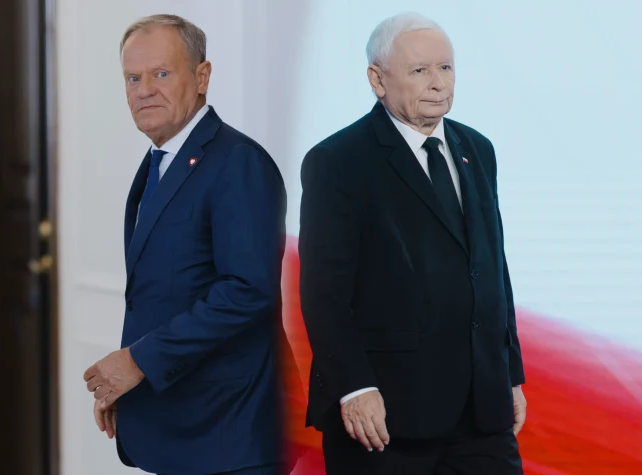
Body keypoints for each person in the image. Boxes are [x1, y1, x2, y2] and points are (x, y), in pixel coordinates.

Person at [298, 12, 527, 475]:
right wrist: (354, 387)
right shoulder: (338, 161)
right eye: (420, 70)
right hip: (385, 415)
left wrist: (510, 375)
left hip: (480, 411)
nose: (438, 83)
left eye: (446, 67)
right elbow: (324, 292)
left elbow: (493, 270)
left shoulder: (477, 149)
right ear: (377, 80)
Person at [82, 14, 286, 475]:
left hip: (226, 437)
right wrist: (129, 382)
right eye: (133, 78)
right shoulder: (160, 160)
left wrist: (137, 362)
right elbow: (163, 294)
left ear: (202, 76)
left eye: (160, 73)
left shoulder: (239, 162)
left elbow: (247, 292)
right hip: (175, 422)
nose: (144, 90)